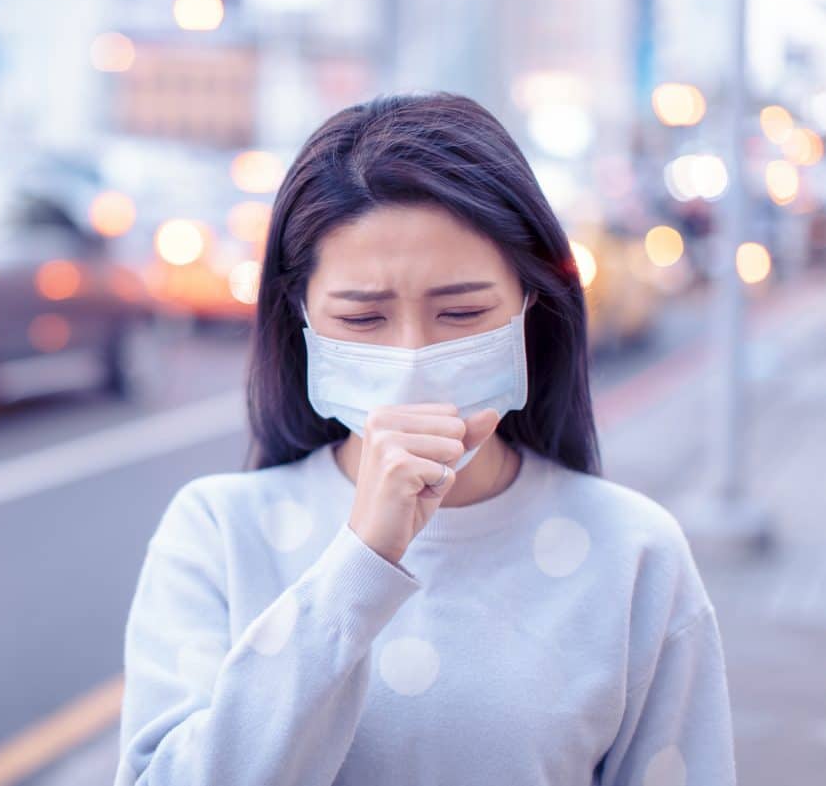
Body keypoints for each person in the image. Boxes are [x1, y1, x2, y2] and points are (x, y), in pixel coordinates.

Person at [114, 92, 736, 785]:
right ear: (301, 315)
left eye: (463, 311)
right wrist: (361, 563)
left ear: (531, 308)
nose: (413, 355)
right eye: (363, 317)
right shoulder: (216, 532)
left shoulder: (635, 554)